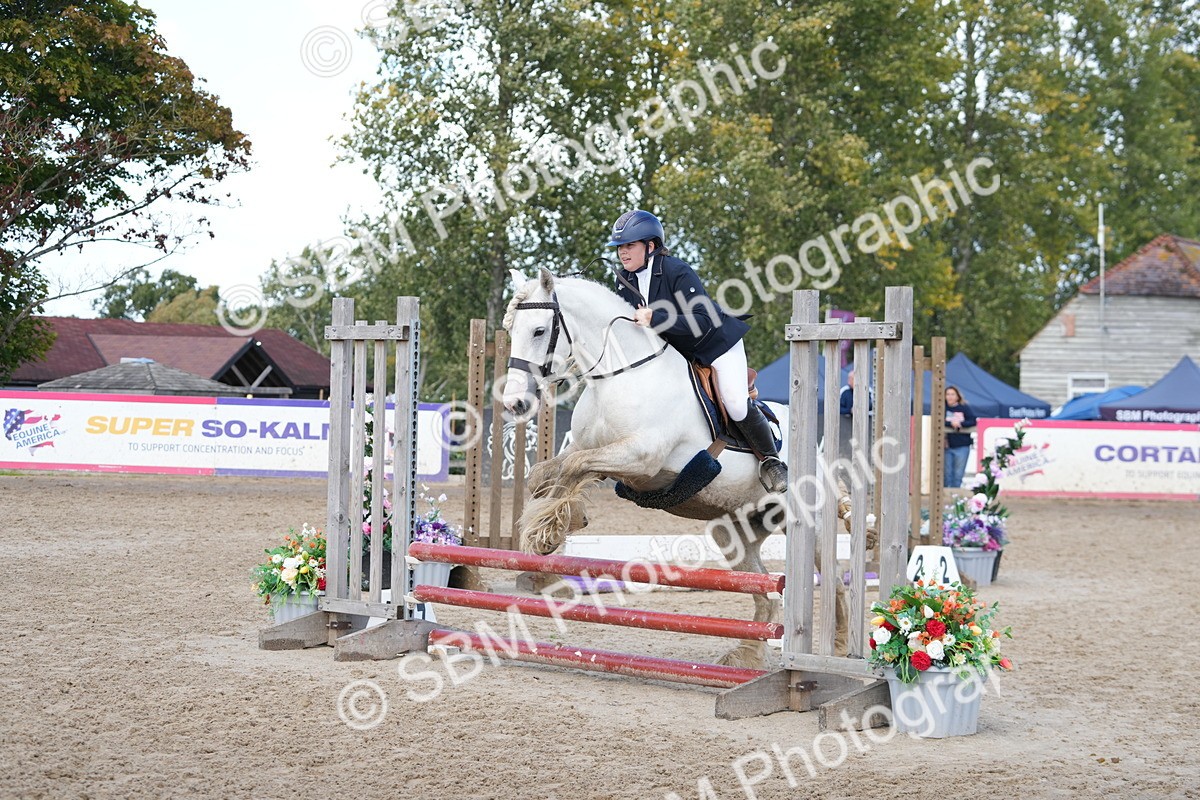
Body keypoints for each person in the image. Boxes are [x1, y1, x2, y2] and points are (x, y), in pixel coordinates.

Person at [606, 209, 788, 493]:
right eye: (619, 247)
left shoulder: (676, 271)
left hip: (717, 345)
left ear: (650, 246)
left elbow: (703, 320)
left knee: (735, 403)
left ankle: (771, 460)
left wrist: (655, 317)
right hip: (679, 354)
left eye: (629, 245)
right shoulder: (623, 281)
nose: (622, 252)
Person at [943, 385, 977, 488]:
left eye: (952, 394)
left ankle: (955, 494)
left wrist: (960, 424)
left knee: (958, 474)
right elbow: (938, 421)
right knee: (946, 474)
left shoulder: (964, 407)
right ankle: (945, 494)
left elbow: (973, 421)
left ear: (957, 396)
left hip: (962, 445)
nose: (950, 397)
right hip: (947, 445)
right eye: (948, 394)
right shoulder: (942, 408)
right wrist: (951, 423)